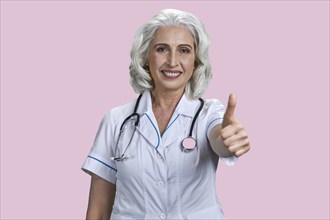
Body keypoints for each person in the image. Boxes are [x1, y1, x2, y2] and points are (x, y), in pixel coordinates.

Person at [82, 8, 250, 220]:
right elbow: (98, 210)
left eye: (184, 50)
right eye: (162, 49)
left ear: (196, 61)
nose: (172, 61)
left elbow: (219, 138)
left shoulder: (209, 114)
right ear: (145, 57)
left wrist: (228, 140)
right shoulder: (116, 120)